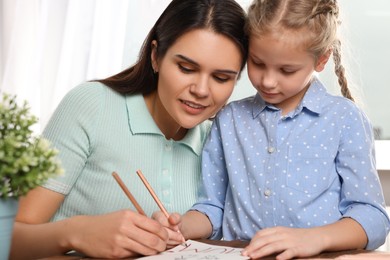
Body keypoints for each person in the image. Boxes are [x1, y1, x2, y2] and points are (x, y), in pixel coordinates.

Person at [10, 0, 248, 259]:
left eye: (222, 78)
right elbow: (10, 239)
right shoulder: (92, 105)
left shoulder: (218, 143)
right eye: (186, 68)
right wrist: (77, 231)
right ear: (155, 56)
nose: (201, 90)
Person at [155, 0, 390, 259]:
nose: (267, 81)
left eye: (286, 70)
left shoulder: (344, 119)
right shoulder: (230, 119)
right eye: (257, 63)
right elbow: (213, 208)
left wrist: (314, 238)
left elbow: (373, 218)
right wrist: (182, 226)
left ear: (322, 59)